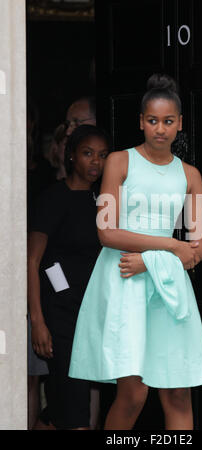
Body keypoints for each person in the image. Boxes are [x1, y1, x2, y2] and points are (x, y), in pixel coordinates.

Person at [68, 74, 202, 430]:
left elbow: (200, 248)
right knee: (133, 394)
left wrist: (150, 259)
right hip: (124, 281)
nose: (160, 129)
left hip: (166, 288)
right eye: (152, 121)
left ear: (180, 123)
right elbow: (107, 232)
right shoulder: (119, 162)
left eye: (168, 121)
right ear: (140, 122)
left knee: (177, 394)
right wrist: (168, 245)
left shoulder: (190, 175)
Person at [28, 125, 110, 430]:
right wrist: (38, 322)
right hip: (60, 316)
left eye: (102, 156)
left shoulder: (101, 201)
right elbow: (32, 260)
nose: (95, 163)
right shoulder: (53, 198)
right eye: (88, 153)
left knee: (66, 408)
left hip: (91, 313)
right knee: (75, 410)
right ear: (71, 156)